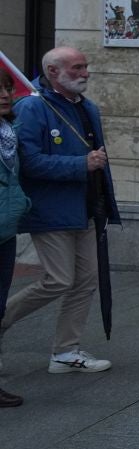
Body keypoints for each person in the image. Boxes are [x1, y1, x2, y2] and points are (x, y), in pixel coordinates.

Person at [0, 47, 119, 374]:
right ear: (53, 72)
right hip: (50, 209)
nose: (84, 73)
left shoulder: (87, 107)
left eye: (85, 66)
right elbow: (29, 162)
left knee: (86, 280)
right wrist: (81, 164)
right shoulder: (32, 107)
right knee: (59, 279)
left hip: (86, 209)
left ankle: (65, 352)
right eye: (76, 67)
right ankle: (2, 320)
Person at [0, 67, 31, 407]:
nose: (6, 95)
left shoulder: (9, 132)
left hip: (6, 231)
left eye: (8, 88)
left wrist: (22, 204)